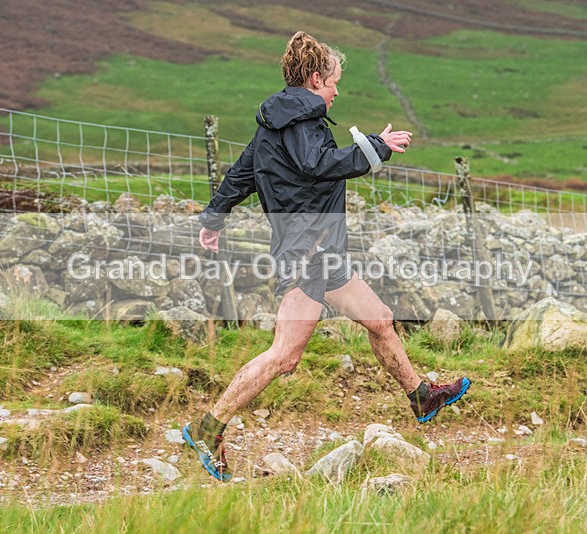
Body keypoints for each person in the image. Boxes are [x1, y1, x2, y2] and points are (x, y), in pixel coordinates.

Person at [182, 31, 470, 482]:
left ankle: (421, 396)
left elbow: (240, 174)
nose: (337, 91)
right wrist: (376, 148)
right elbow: (321, 165)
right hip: (306, 255)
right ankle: (207, 428)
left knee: (379, 319)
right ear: (317, 79)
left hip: (321, 252)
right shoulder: (303, 121)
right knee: (284, 355)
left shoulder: (276, 121)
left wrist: (212, 219)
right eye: (334, 81)